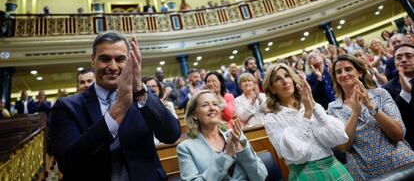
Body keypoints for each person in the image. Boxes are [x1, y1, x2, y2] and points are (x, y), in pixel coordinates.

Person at [50, 31, 180, 180]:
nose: (113, 67)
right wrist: (119, 109)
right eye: (105, 59)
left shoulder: (141, 97)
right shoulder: (67, 107)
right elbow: (68, 163)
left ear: (130, 61)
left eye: (120, 59)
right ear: (93, 60)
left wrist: (139, 89)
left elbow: (171, 135)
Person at [327, 54, 414, 179]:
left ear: (360, 72)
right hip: (365, 174)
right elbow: (343, 147)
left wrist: (370, 106)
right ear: (336, 78)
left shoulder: (380, 94)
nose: (344, 74)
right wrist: (355, 113)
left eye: (348, 69)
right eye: (338, 72)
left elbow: (398, 134)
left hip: (402, 165)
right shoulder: (333, 108)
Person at [263, 63, 352, 180]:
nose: (285, 81)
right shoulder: (272, 119)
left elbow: (340, 137)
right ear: (272, 89)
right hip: (304, 174)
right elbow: (297, 154)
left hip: (333, 166)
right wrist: (307, 113)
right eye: (278, 79)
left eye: (287, 76)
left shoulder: (309, 105)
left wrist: (312, 103)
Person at [177, 90, 268, 181]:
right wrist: (227, 154)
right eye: (205, 105)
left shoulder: (236, 134)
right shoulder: (185, 148)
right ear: (194, 115)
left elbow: (260, 177)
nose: (212, 108)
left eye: (215, 104)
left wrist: (241, 150)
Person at [383, 43, 414, 148]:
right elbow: (394, 118)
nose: (403, 60)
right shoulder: (387, 88)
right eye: (398, 57)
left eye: (409, 56)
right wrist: (405, 93)